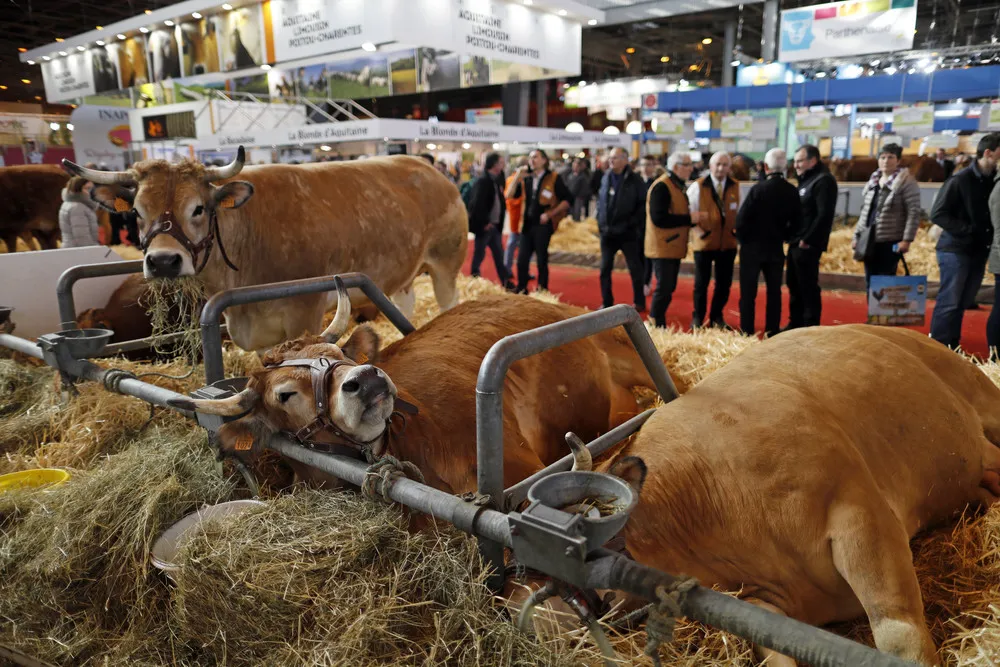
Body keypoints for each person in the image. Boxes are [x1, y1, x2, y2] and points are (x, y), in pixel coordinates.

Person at [929, 133, 1000, 350]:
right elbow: (937, 213)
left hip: (978, 249)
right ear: (988, 153)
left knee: (964, 300)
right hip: (955, 248)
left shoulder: (992, 181)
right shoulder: (960, 179)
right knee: (950, 301)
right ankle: (939, 347)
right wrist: (968, 230)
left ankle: (951, 344)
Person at [734, 148, 801, 337]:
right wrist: (784, 236)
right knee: (775, 292)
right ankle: (772, 331)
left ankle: (746, 331)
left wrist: (743, 239)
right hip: (775, 249)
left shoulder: (758, 189)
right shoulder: (791, 191)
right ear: (786, 167)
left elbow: (741, 220)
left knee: (748, 293)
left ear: (765, 166)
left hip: (752, 249)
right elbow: (797, 224)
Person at [851, 143, 922, 292]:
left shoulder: (906, 181)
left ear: (898, 160)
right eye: (882, 157)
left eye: (890, 157)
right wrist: (857, 236)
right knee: (870, 280)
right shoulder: (873, 181)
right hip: (869, 238)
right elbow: (865, 211)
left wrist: (907, 240)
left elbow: (913, 212)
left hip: (891, 239)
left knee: (886, 280)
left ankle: (883, 315)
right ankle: (872, 314)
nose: (886, 161)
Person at [785, 144, 838, 330]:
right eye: (795, 161)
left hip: (808, 244)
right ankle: (795, 322)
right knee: (793, 283)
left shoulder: (824, 181)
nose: (796, 165)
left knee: (807, 286)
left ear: (813, 161)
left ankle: (810, 325)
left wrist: (807, 239)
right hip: (796, 242)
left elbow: (824, 215)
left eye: (800, 161)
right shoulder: (806, 180)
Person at [506, 148, 572, 294]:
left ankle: (543, 290)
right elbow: (509, 195)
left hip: (543, 225)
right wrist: (517, 176)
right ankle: (522, 288)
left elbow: (567, 200)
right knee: (522, 259)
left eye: (535, 157)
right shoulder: (527, 179)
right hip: (527, 224)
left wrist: (550, 214)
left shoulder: (554, 177)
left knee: (541, 259)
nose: (532, 160)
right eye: (530, 158)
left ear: (544, 160)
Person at [686, 151, 740, 329]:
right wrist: (699, 231)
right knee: (701, 284)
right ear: (710, 166)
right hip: (705, 243)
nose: (720, 168)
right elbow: (689, 213)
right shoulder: (698, 186)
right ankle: (698, 318)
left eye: (725, 165)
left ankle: (717, 316)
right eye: (717, 164)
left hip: (728, 244)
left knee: (724, 284)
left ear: (729, 168)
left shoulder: (735, 186)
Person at [645, 152, 695, 328]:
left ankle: (657, 320)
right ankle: (655, 321)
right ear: (675, 167)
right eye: (687, 165)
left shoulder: (676, 185)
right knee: (664, 287)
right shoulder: (662, 187)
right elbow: (659, 219)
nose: (691, 168)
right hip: (663, 246)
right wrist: (690, 219)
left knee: (668, 287)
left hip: (671, 245)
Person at [596, 147, 647, 312]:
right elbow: (600, 201)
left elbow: (641, 206)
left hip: (627, 233)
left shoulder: (635, 180)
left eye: (616, 158)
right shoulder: (606, 177)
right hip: (607, 233)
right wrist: (600, 223)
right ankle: (607, 302)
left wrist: (630, 224)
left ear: (625, 160)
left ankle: (639, 301)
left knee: (635, 268)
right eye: (610, 157)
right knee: (604, 269)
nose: (611, 160)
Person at [467, 152, 511, 288]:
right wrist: (483, 223)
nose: (502, 165)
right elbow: (477, 205)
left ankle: (506, 282)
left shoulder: (495, 180)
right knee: (479, 255)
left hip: (494, 227)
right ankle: (474, 282)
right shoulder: (483, 181)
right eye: (500, 162)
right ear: (494, 164)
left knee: (499, 255)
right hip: (486, 227)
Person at [58, 177, 101, 248]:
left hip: (73, 248)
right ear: (77, 189)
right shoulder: (77, 207)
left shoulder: (71, 203)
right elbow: (81, 236)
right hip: (78, 251)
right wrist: (92, 250)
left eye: (92, 188)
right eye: (87, 188)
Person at [503, 157, 528, 276]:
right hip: (516, 219)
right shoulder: (512, 180)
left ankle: (524, 271)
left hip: (525, 220)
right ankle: (507, 269)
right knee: (512, 243)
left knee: (524, 247)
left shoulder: (526, 181)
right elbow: (509, 196)